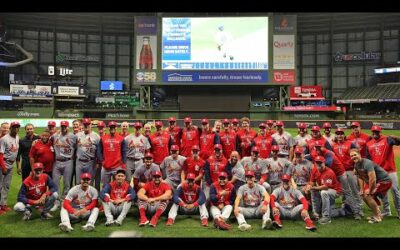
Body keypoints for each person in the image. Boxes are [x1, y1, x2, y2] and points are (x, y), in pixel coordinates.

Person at [366, 125, 400, 218]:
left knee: (395, 191)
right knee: (382, 192)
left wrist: (396, 138)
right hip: (378, 172)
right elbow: (368, 159)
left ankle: (399, 211)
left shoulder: (387, 139)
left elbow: (398, 142)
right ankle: (387, 210)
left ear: (380, 132)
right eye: (373, 132)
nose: (375, 133)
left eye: (377, 132)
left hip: (390, 170)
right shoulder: (369, 144)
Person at [350, 148, 392, 223]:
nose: (353, 157)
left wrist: (370, 190)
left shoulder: (367, 163)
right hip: (377, 182)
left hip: (384, 181)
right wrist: (361, 189)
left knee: (368, 195)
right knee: (363, 195)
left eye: (355, 155)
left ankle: (377, 217)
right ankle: (378, 213)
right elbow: (360, 177)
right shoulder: (356, 165)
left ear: (359, 154)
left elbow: (373, 179)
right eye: (351, 156)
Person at [51, 120, 77, 212]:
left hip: (68, 161)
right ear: (60, 127)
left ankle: (64, 201)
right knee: (55, 183)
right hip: (57, 162)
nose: (63, 128)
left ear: (68, 127)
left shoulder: (73, 137)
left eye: (65, 126)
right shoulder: (55, 136)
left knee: (67, 183)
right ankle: (56, 202)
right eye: (62, 126)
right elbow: (45, 138)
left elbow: (78, 147)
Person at [309, 156, 344, 224]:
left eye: (320, 163)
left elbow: (325, 187)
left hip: (335, 191)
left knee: (323, 192)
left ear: (324, 163)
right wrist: (309, 186)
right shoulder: (314, 170)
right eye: (317, 163)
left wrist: (313, 187)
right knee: (313, 190)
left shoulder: (329, 172)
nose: (319, 165)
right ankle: (316, 213)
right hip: (325, 190)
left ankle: (326, 217)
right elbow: (312, 182)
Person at [96, 121, 127, 185]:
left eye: (114, 127)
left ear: (116, 128)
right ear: (108, 128)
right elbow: (99, 151)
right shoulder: (103, 138)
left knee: (117, 185)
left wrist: (124, 163)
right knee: (105, 185)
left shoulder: (121, 139)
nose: (112, 128)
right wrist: (102, 161)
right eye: (111, 127)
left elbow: (124, 152)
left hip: (117, 166)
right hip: (106, 166)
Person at [0, 121, 20, 213]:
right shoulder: (4, 139)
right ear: (10, 128)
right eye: (14, 127)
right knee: (0, 185)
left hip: (11, 165)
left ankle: (3, 204)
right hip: (3, 164)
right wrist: (3, 167)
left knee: (6, 186)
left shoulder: (17, 137)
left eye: (17, 127)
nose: (16, 129)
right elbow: (0, 155)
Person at [75, 118, 100, 184]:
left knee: (89, 182)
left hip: (91, 162)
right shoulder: (77, 135)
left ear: (91, 125)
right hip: (79, 162)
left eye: (88, 124)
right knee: (78, 182)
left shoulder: (96, 136)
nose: (86, 126)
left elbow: (99, 150)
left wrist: (98, 162)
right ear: (82, 125)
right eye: (85, 124)